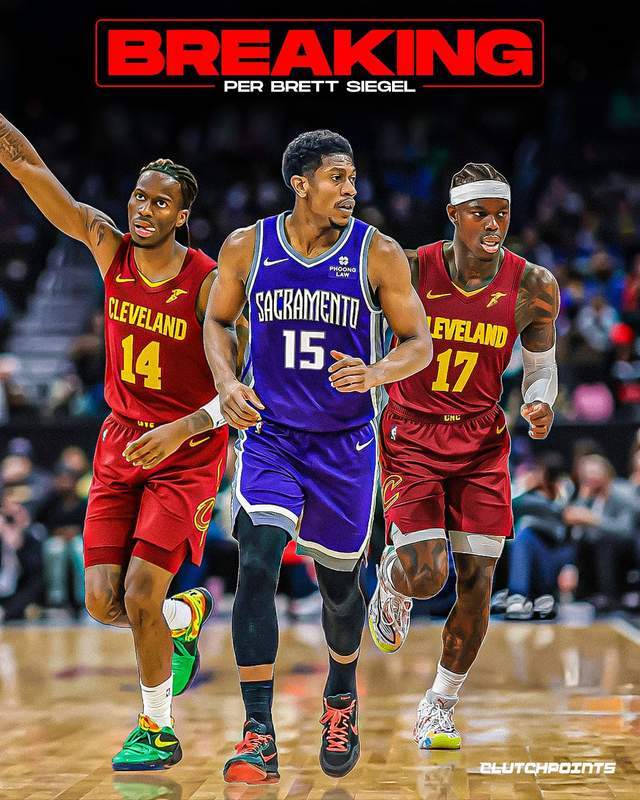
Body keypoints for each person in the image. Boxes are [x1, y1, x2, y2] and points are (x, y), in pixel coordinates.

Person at [0, 113, 229, 770]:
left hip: (186, 453)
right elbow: (29, 167)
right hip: (121, 442)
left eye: (160, 202)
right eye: (138, 196)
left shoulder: (209, 284)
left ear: (182, 215)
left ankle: (157, 728)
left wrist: (182, 428)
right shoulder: (109, 247)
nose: (143, 209)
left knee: (139, 594)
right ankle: (184, 619)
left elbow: (244, 392)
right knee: (102, 602)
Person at [203, 129, 431, 782]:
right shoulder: (247, 246)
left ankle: (341, 693)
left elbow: (419, 343)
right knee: (256, 560)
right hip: (271, 436)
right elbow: (216, 321)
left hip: (344, 446)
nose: (350, 189)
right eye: (337, 177)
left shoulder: (377, 253)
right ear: (300, 183)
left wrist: (377, 372)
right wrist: (227, 381)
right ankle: (258, 732)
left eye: (353, 178)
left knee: (338, 588)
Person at [368, 163, 559, 750]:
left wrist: (539, 401)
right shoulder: (408, 267)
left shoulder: (533, 285)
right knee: (428, 577)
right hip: (412, 433)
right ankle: (393, 580)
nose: (494, 224)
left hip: (480, 442)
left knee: (478, 583)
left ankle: (439, 705)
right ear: (453, 214)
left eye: (502, 213)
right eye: (481, 214)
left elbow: (541, 365)